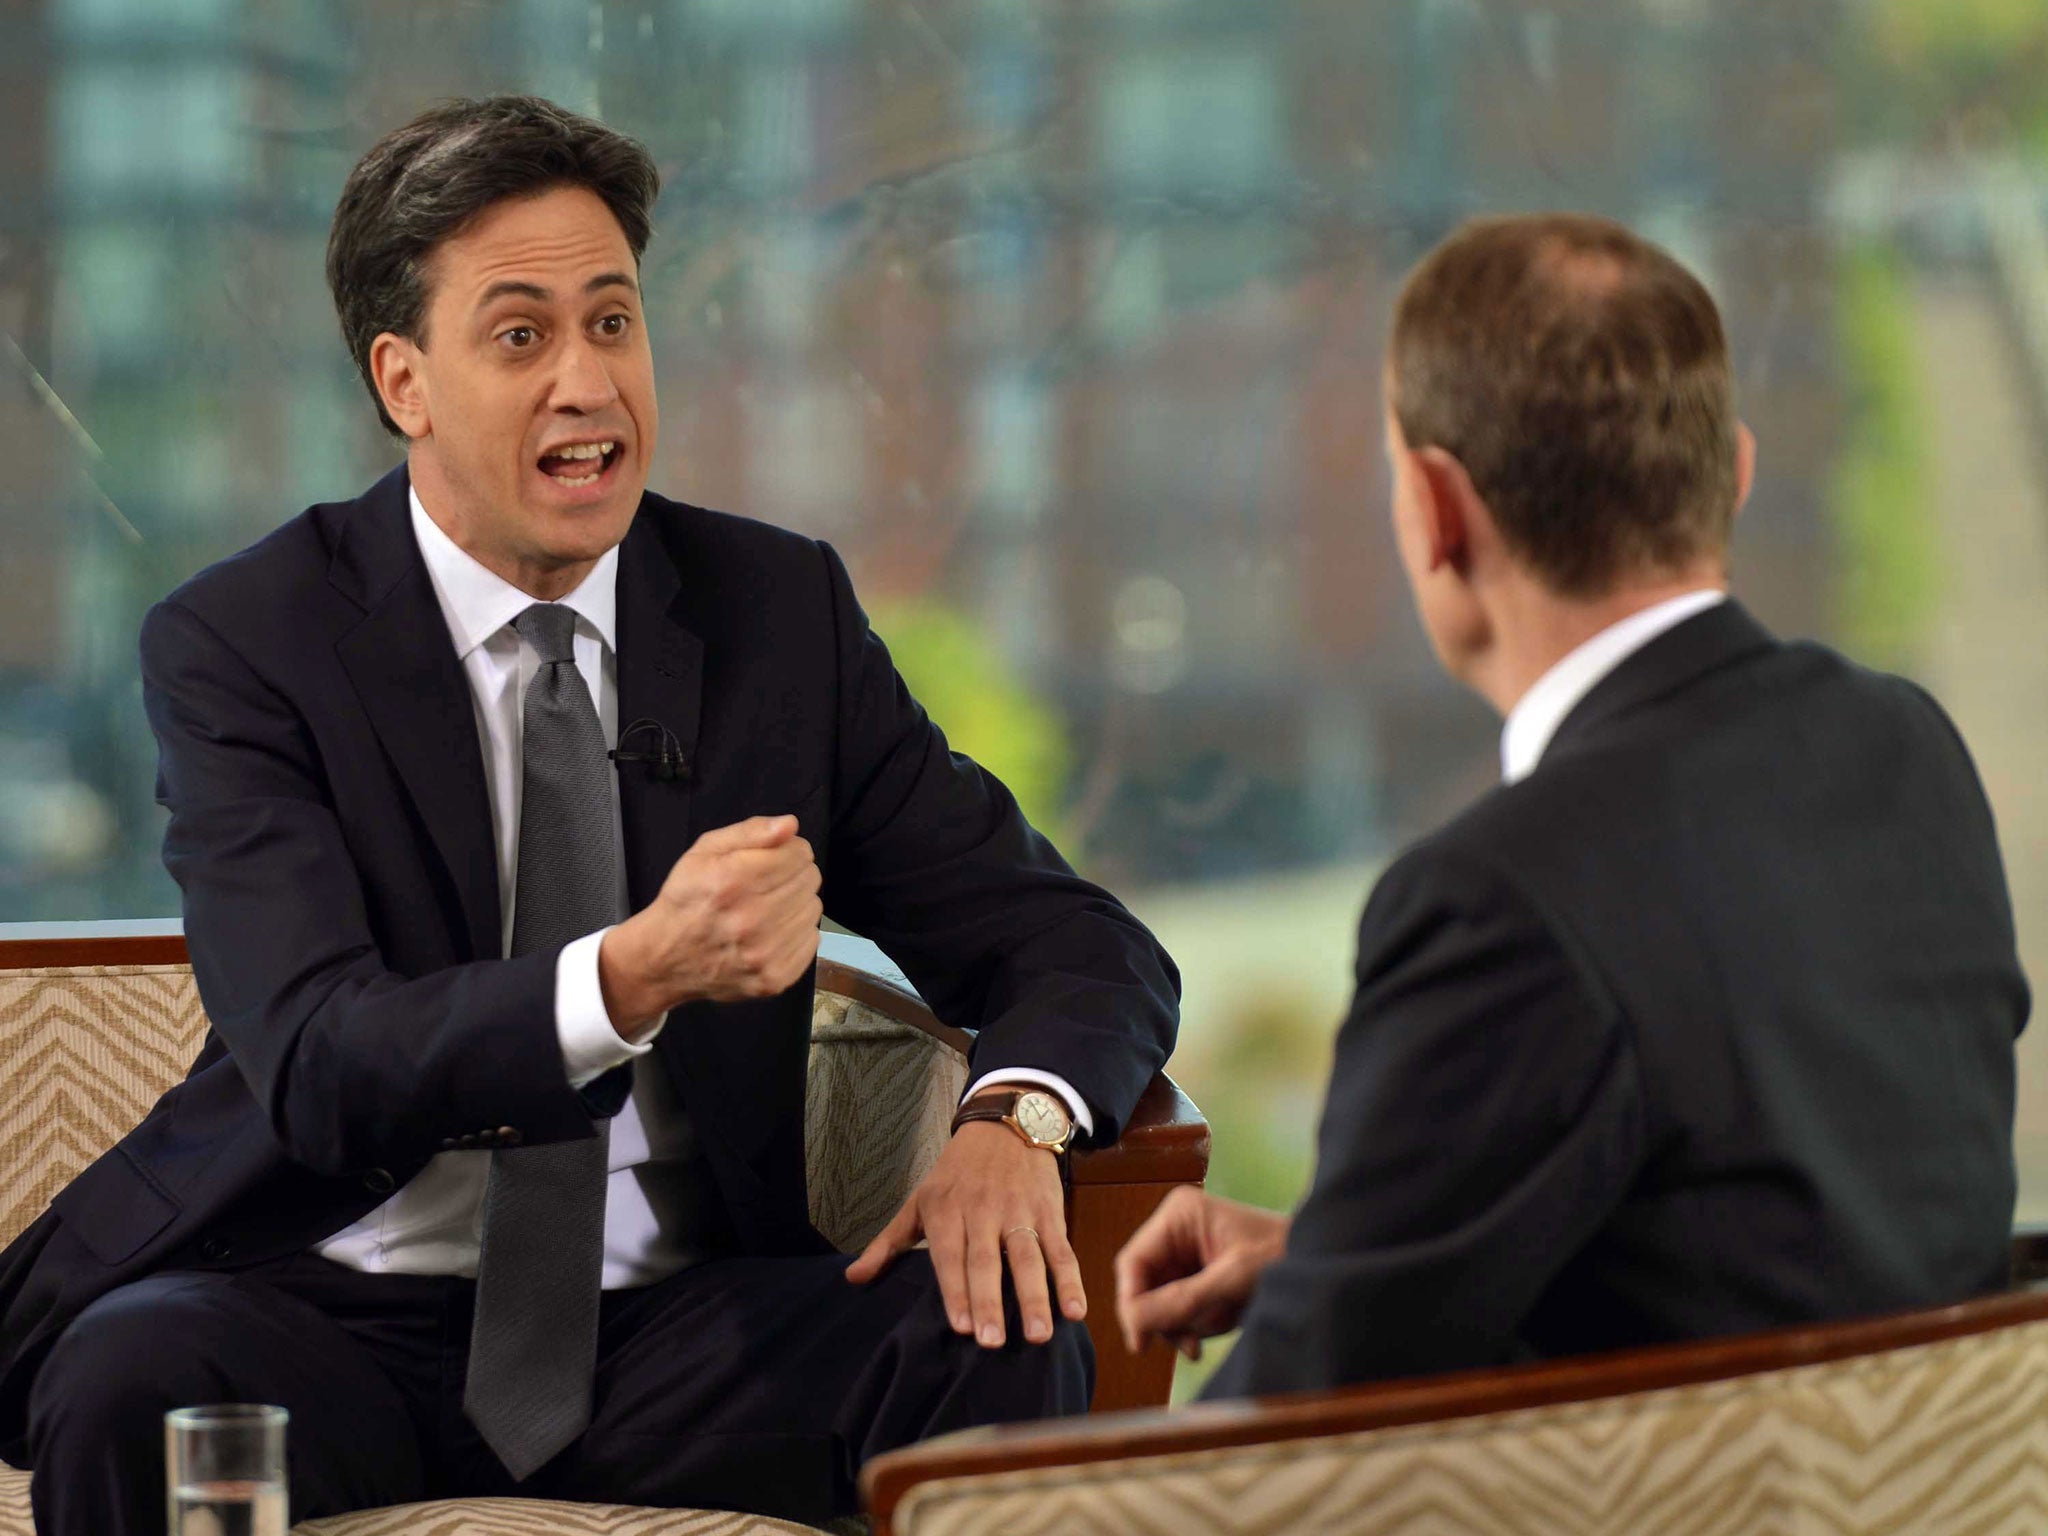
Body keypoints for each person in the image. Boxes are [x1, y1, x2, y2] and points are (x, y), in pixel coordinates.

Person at [0, 96, 1179, 1534]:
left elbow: (1070, 941)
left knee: (989, 1330)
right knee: (130, 1379)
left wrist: (1011, 1122)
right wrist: (632, 976)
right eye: (520, 335)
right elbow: (317, 1056)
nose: (587, 382)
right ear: (404, 380)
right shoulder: (250, 641)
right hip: (320, 1309)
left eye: (613, 322)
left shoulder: (774, 616)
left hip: (678, 1333)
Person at [1115, 213, 2027, 1398]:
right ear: (1733, 475)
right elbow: (1783, 1245)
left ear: (1436, 510)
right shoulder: (1903, 750)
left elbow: (1286, 1441)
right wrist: (1338, 1260)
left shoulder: (1499, 896)